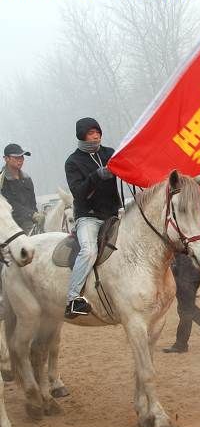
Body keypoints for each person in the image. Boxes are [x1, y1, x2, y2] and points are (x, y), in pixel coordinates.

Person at [64, 118, 121, 318]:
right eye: (90, 133)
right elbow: (79, 192)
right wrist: (97, 175)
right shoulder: (73, 162)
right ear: (82, 135)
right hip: (88, 217)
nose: (96, 135)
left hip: (113, 214)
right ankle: (72, 299)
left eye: (97, 131)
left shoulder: (110, 153)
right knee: (88, 251)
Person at [162, 252, 200, 353]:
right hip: (189, 274)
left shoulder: (185, 238)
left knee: (186, 310)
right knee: (186, 310)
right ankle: (182, 343)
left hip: (186, 275)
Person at [0, 143, 42, 233]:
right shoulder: (1, 180)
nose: (20, 160)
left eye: (22, 157)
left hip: (30, 221)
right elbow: (10, 204)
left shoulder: (27, 179)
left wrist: (37, 216)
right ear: (6, 159)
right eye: (16, 158)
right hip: (11, 226)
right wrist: (31, 214)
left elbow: (32, 203)